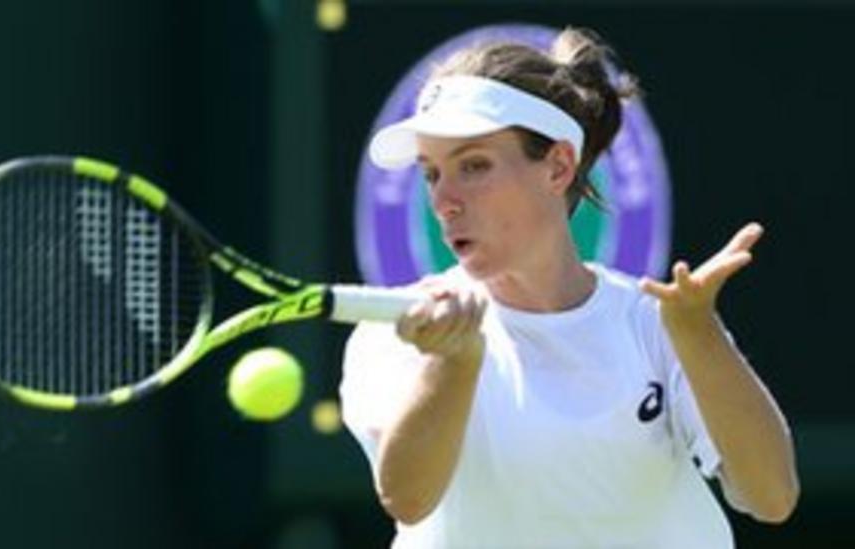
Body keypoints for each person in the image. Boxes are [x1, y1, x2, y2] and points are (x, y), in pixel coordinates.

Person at [339, 27, 798, 548]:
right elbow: (409, 496)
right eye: (431, 174)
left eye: (474, 166)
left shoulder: (655, 324)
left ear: (558, 166)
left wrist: (699, 335)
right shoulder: (395, 333)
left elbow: (772, 496)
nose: (444, 200)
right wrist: (454, 361)